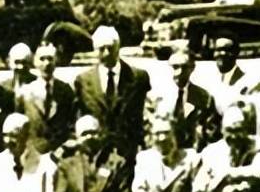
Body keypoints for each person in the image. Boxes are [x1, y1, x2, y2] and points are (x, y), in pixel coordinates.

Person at [74, 25, 151, 156]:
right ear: (94, 50)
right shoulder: (83, 80)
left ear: (118, 47)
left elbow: (145, 112)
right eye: (101, 49)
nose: (106, 53)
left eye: (110, 48)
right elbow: (79, 116)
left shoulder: (138, 77)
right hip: (96, 151)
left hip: (129, 151)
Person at [15, 42, 77, 154]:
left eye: (50, 59)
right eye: (42, 59)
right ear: (35, 62)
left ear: (56, 61)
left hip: (59, 152)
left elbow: (72, 122)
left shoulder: (66, 90)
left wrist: (65, 146)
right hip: (33, 153)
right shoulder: (25, 92)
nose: (47, 63)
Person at [163, 50, 218, 150]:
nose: (179, 72)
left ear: (192, 68)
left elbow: (210, 130)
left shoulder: (204, 97)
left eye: (184, 67)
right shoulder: (158, 96)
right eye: (175, 67)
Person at [0, 43, 37, 108]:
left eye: (24, 62)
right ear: (9, 62)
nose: (21, 66)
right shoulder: (2, 84)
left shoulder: (36, 83)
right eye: (17, 62)